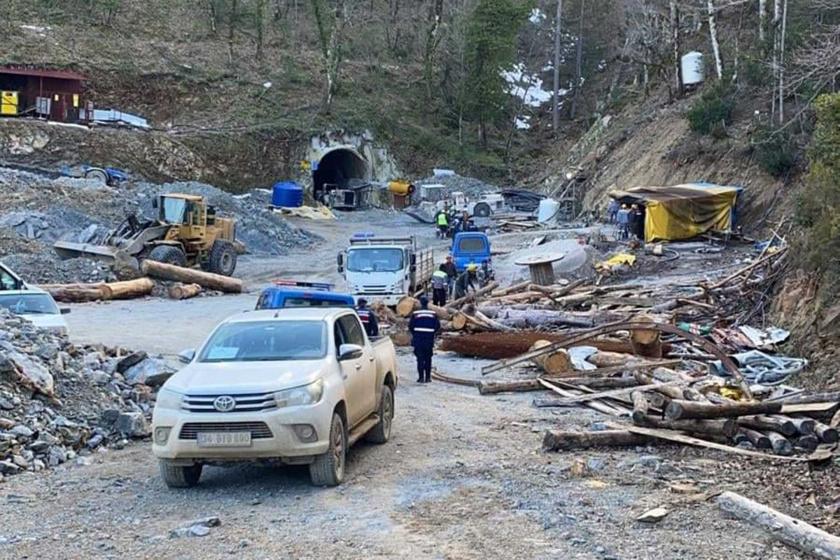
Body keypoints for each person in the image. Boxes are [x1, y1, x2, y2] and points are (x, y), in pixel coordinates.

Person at [408, 295, 440, 383]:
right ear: (428, 303)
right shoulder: (433, 314)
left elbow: (410, 326)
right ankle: (428, 378)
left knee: (420, 359)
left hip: (418, 339)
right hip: (429, 340)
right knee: (428, 358)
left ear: (420, 303)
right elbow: (437, 326)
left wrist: (415, 334)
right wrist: (432, 333)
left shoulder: (415, 314)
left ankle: (421, 378)